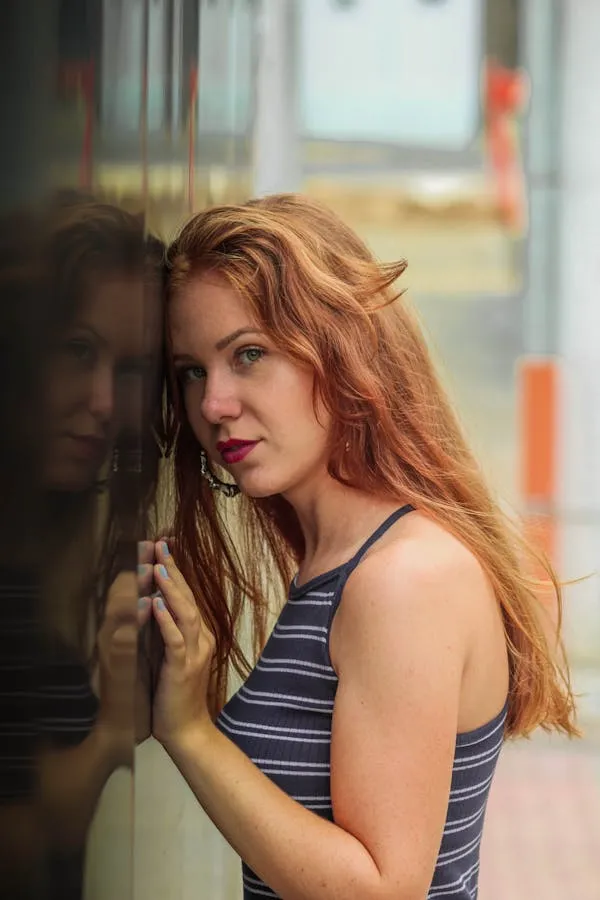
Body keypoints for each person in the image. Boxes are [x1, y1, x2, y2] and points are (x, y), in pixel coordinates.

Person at [150, 193, 578, 900]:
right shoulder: (336, 560)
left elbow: (378, 890)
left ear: (340, 354)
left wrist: (192, 732)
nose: (213, 403)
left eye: (248, 355)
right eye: (192, 371)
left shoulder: (401, 580)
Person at [0, 192, 164, 899]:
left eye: (128, 370)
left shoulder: (43, 536)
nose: (104, 400)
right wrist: (112, 732)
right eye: (77, 351)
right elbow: (21, 847)